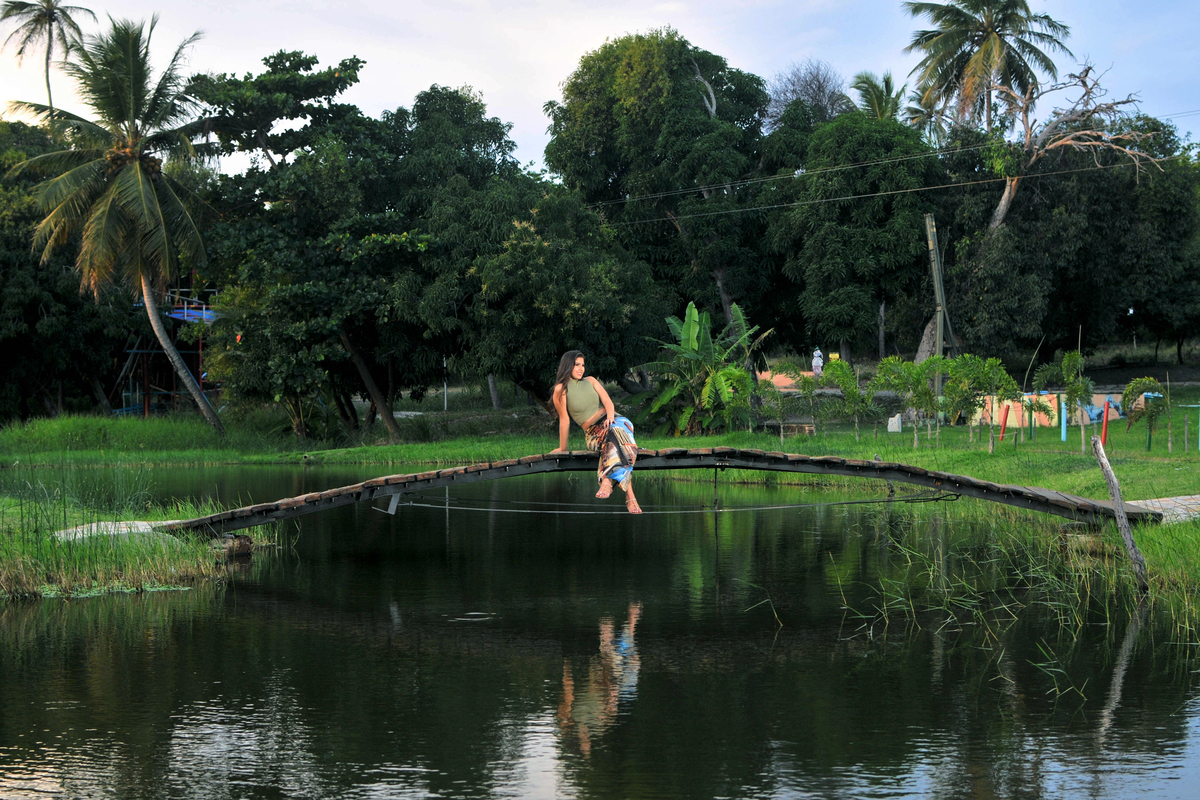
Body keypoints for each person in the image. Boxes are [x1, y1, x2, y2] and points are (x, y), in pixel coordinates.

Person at [548, 350, 641, 514]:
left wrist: (610, 418)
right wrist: (563, 448)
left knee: (618, 431)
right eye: (577, 365)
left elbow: (608, 402)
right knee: (621, 441)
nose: (581, 369)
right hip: (594, 432)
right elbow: (564, 420)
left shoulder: (591, 381)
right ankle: (629, 495)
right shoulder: (560, 389)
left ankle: (607, 479)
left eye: (583, 365)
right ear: (567, 365)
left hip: (614, 420)